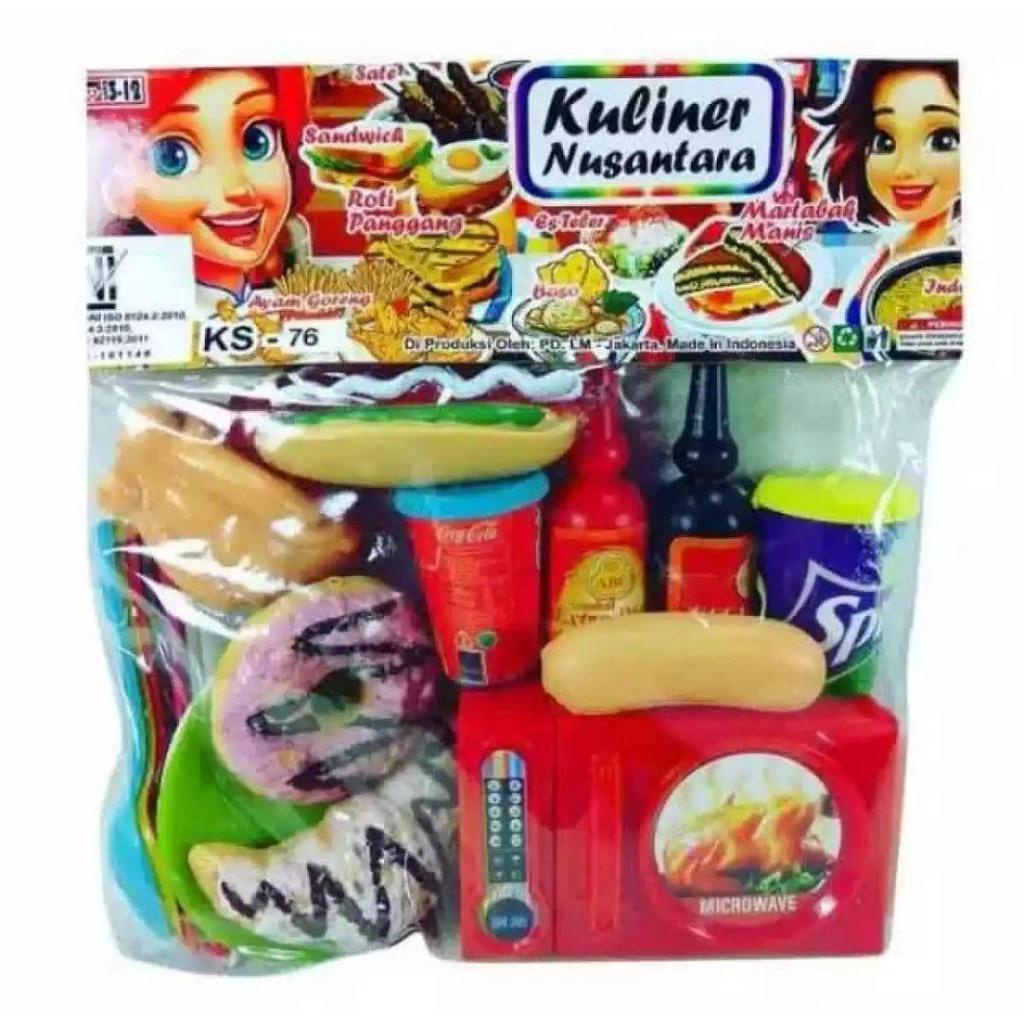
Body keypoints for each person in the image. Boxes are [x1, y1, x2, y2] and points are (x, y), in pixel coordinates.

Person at [91, 67, 310, 313]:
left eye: (256, 141)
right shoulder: (135, 301)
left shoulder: (288, 273)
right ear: (117, 190)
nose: (237, 188)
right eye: (173, 157)